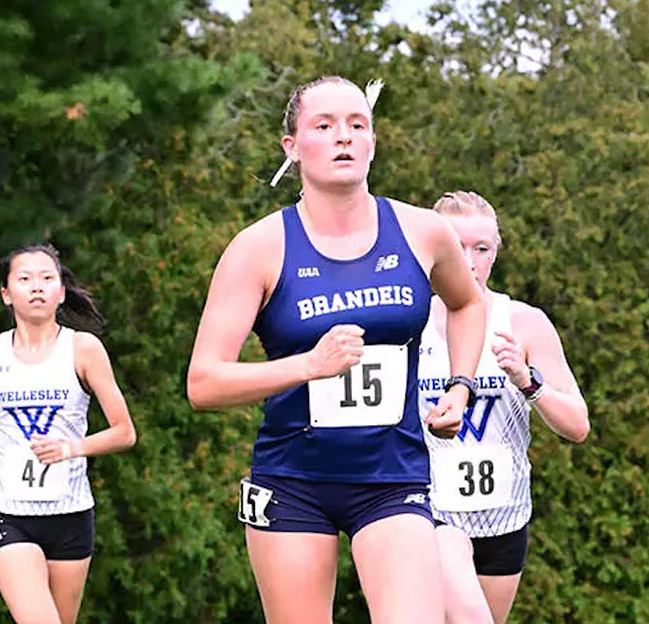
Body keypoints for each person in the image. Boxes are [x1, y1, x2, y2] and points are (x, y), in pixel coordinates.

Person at [186, 76, 489, 624]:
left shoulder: (423, 232)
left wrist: (461, 386)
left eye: (357, 125)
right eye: (323, 126)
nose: (343, 137)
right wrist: (309, 366)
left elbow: (468, 305)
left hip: (394, 478)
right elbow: (203, 383)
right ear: (293, 147)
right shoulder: (258, 248)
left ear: (373, 141)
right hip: (292, 481)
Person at [417, 191, 590, 624]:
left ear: (496, 251)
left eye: (482, 248)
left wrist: (528, 381)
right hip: (431, 509)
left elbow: (578, 425)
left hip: (504, 515)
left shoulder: (524, 323)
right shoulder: (410, 322)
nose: (470, 261)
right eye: (457, 247)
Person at [0, 244, 137, 624]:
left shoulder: (83, 349)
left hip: (71, 515)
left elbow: (124, 432)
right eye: (25, 278)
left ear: (61, 292)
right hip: (6, 512)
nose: (37, 287)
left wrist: (69, 448)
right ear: (5, 294)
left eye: (48, 278)